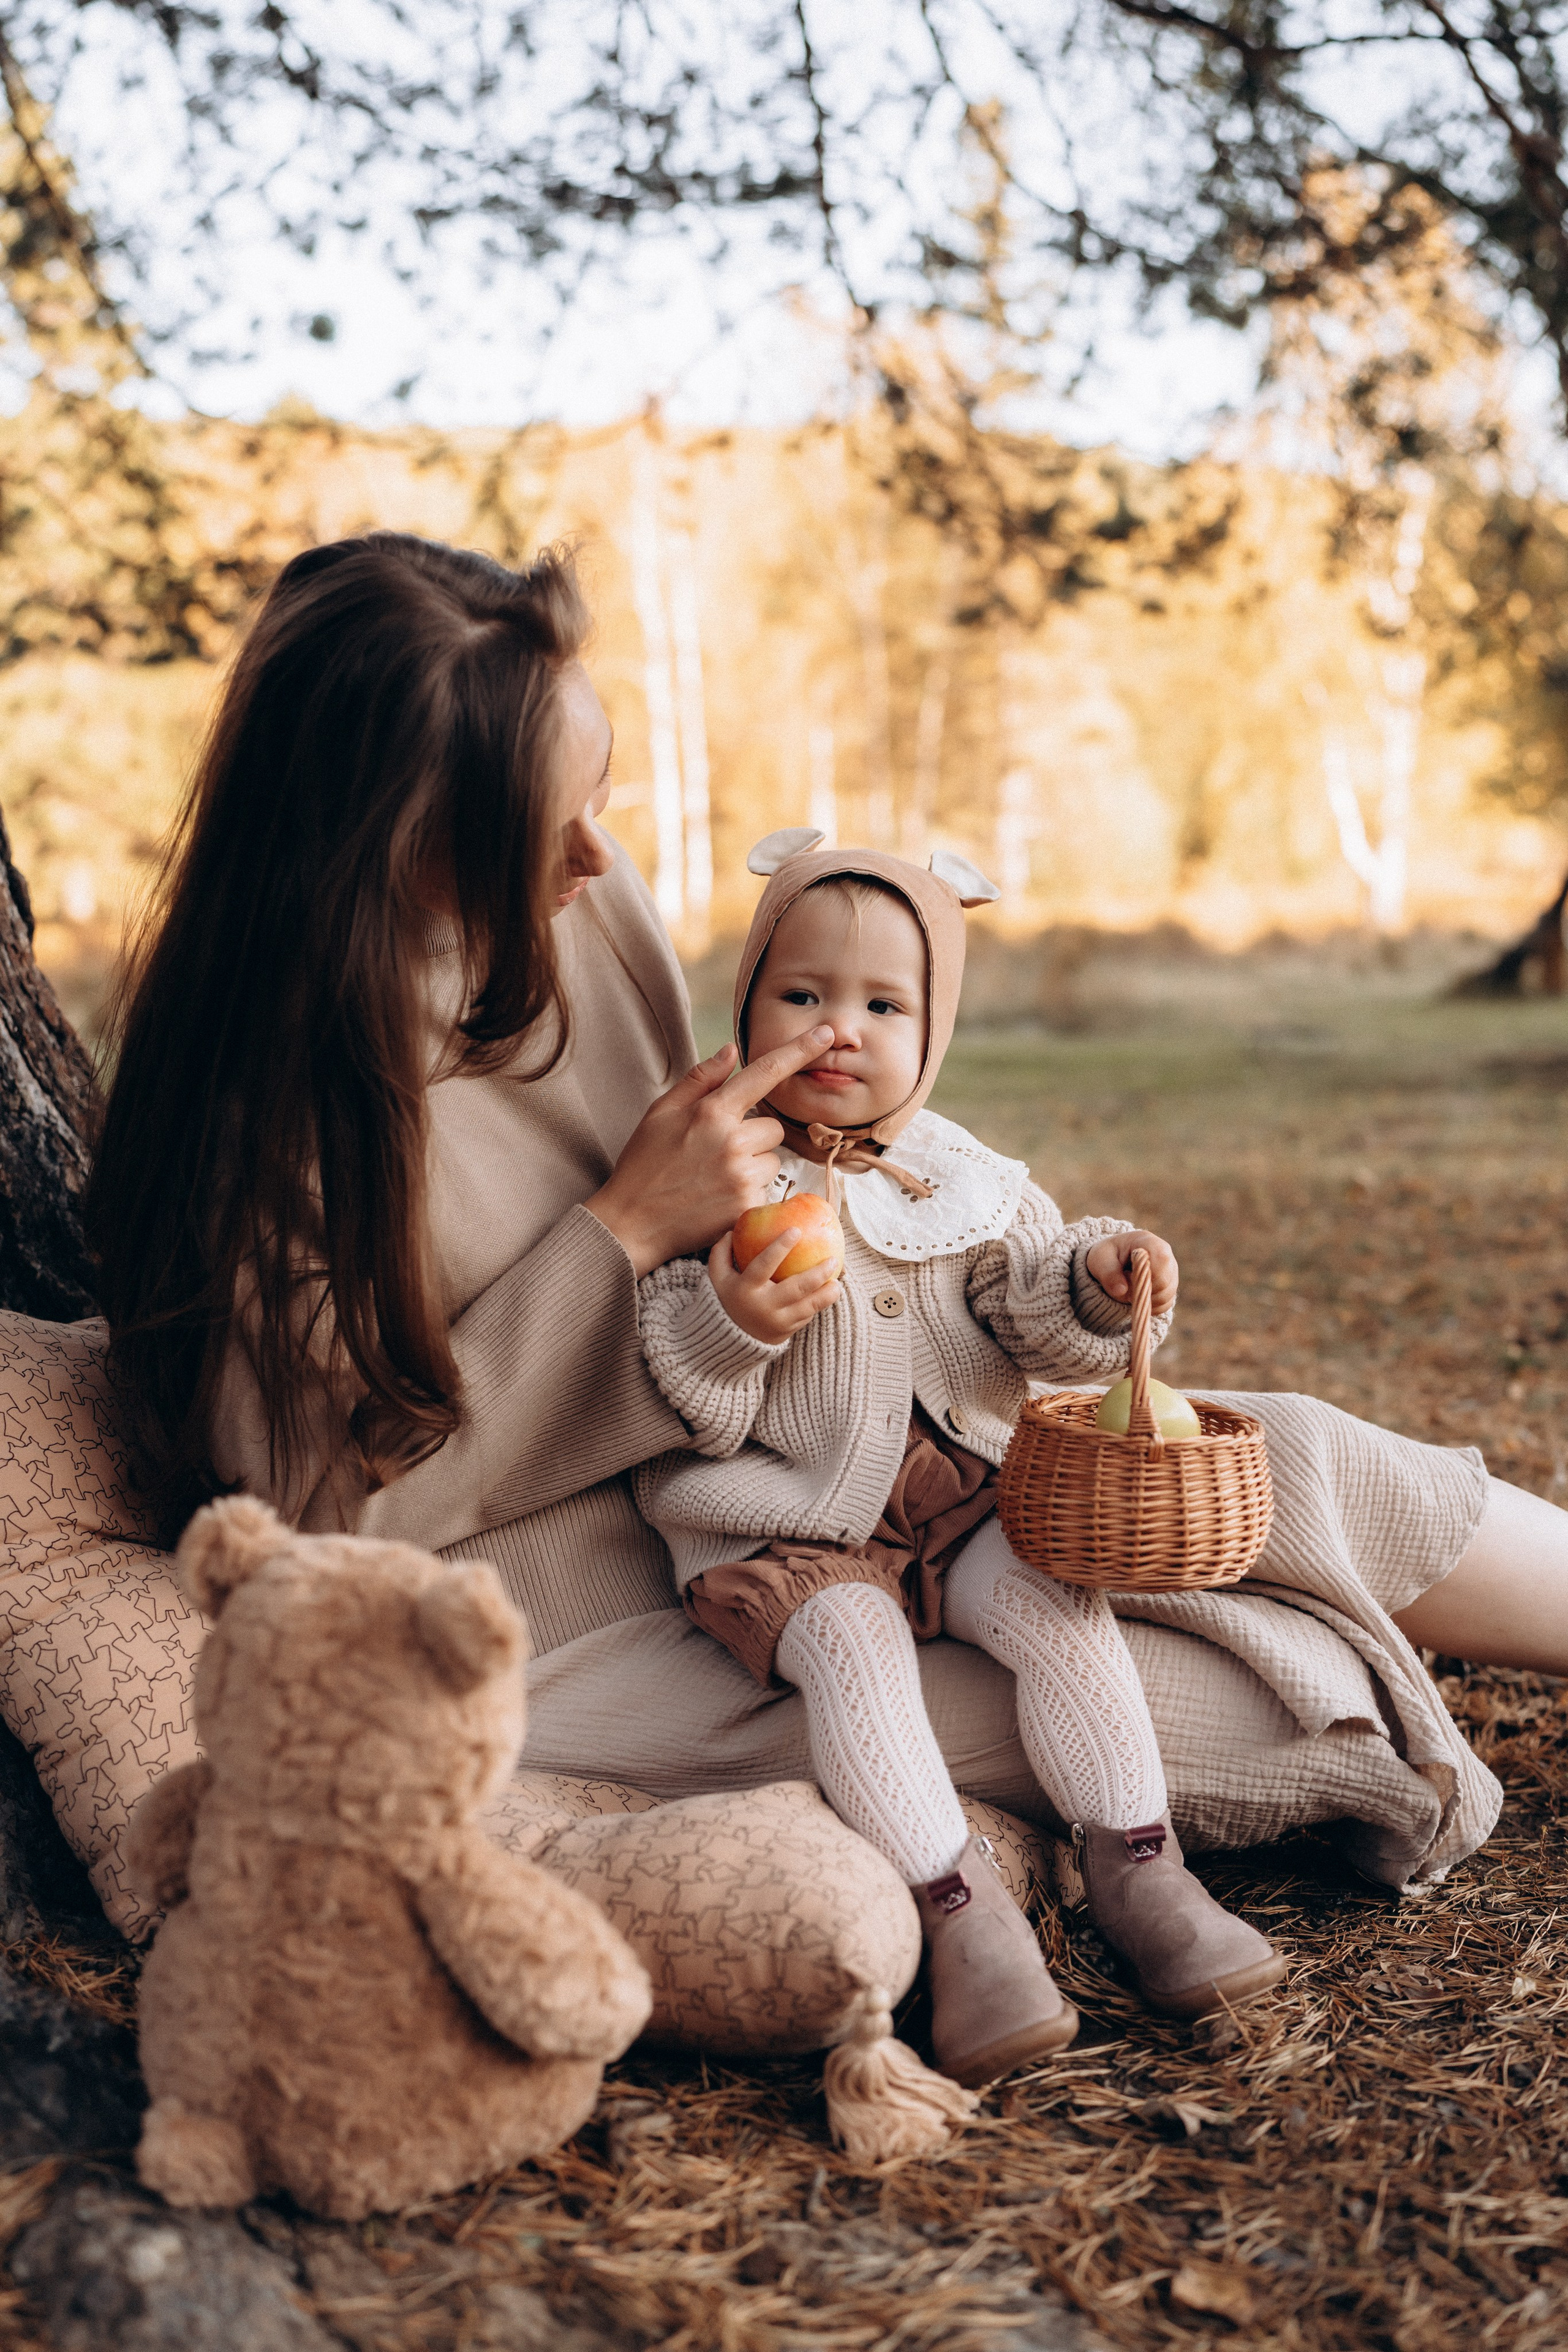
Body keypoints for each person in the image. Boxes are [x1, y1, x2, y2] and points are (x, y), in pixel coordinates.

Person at [87, 529, 1568, 1992]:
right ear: (387, 842)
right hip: (606, 1606)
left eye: (598, 795)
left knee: (1279, 1464)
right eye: (544, 831)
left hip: (811, 1455)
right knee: (1248, 1708)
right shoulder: (262, 1128)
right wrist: (623, 1236)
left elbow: (760, 1187)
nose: (600, 865)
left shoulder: (574, 903)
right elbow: (326, 1512)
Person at [633, 833, 1287, 2086]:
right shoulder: (716, 1177)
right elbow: (678, 1390)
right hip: (785, 1522)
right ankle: (960, 1914)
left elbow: (1029, 1308)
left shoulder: (961, 1179)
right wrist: (733, 1321)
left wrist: (1094, 1286)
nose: (840, 1030)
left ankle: (1138, 1866)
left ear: (931, 1030)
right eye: (802, 995)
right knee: (851, 1652)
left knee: (1054, 1606)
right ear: (746, 1002)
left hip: (959, 1498)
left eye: (883, 1004)